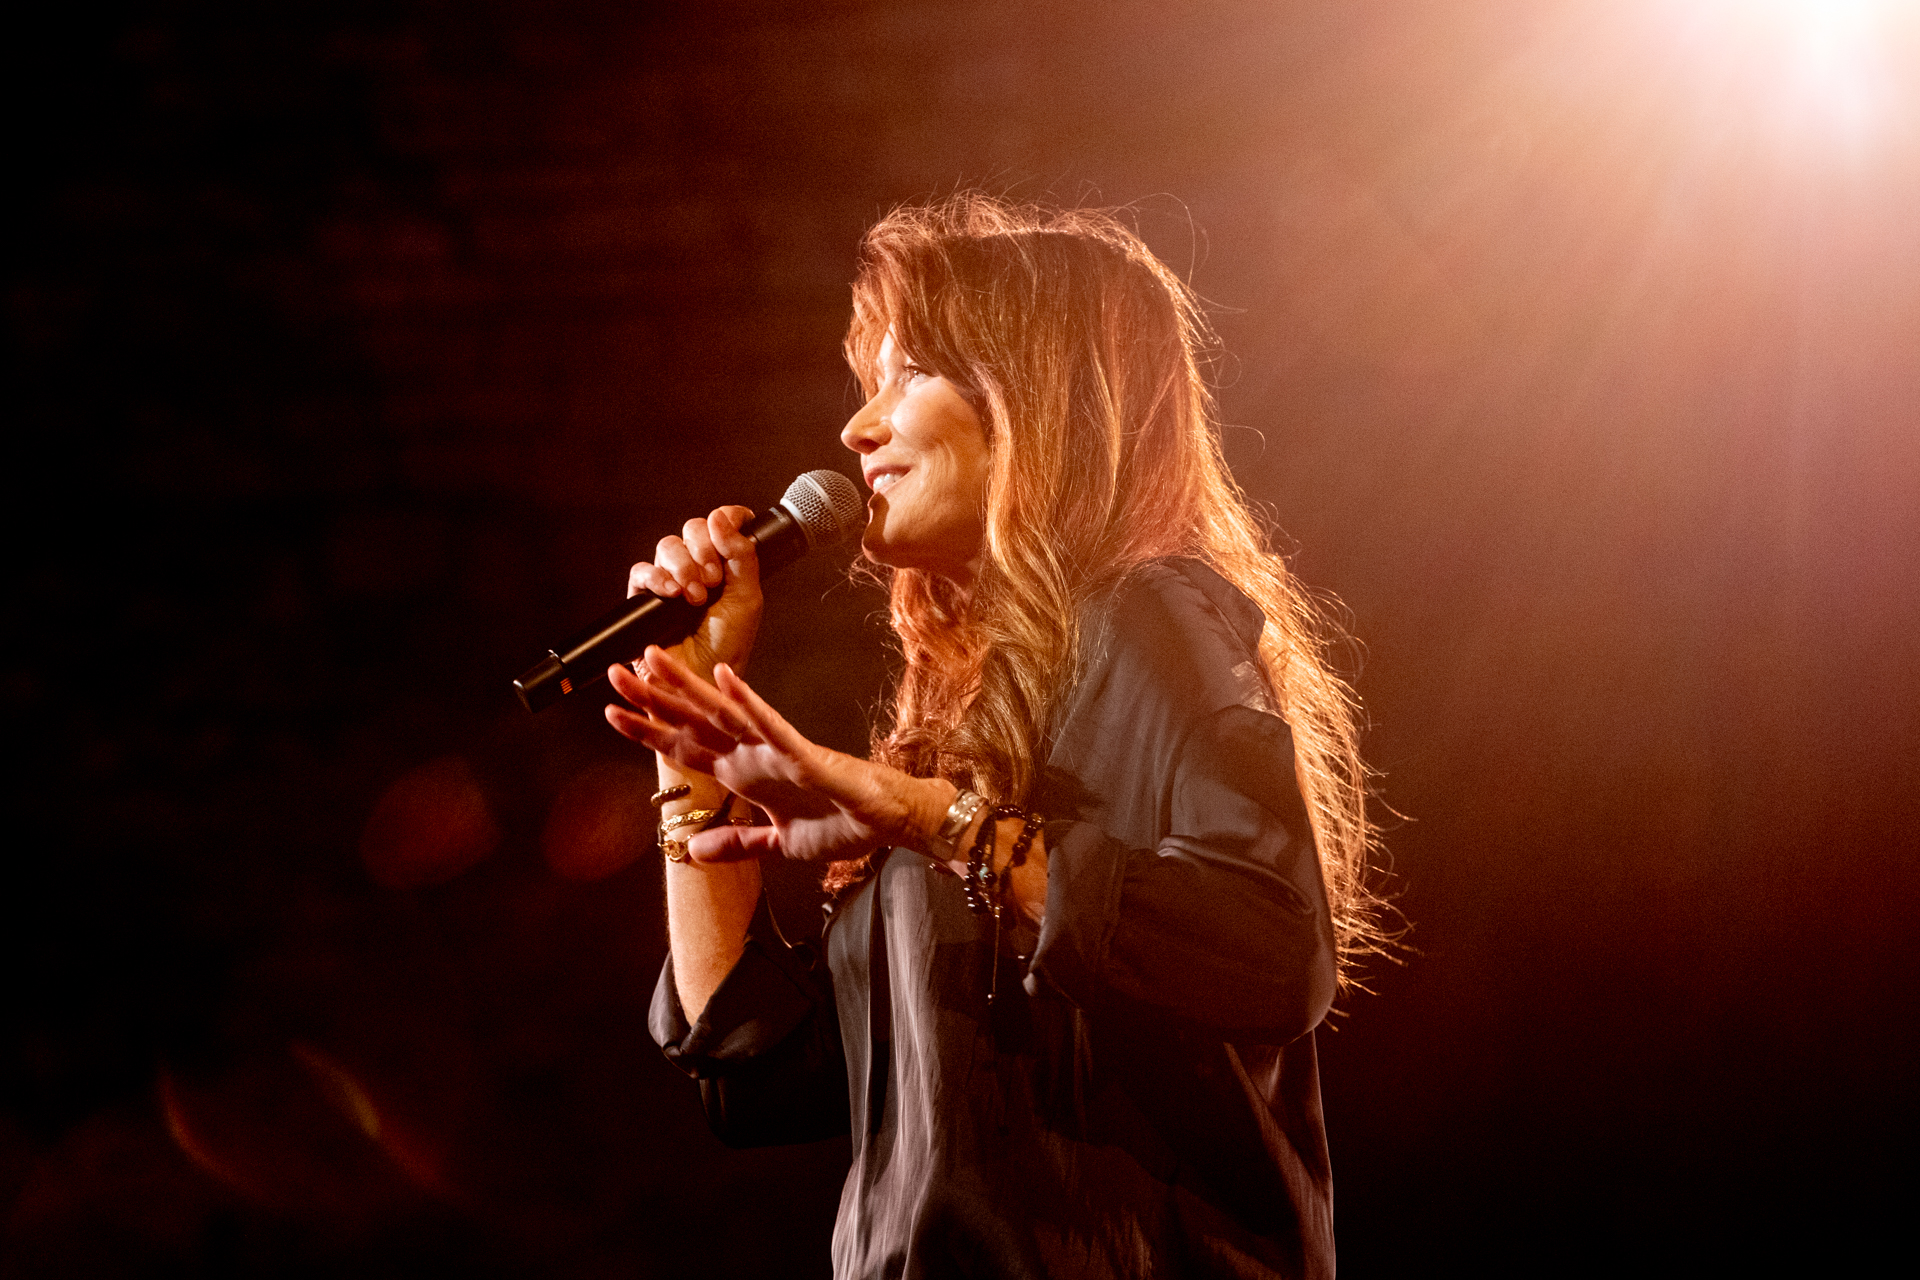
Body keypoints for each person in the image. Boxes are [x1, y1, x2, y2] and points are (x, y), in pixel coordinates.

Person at [604, 196, 1386, 1280]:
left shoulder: (1150, 615)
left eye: (912, 373)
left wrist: (934, 819)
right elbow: (761, 1077)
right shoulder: (961, 725)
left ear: (1037, 397)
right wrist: (688, 736)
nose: (858, 427)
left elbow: (1271, 948)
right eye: (870, 382)